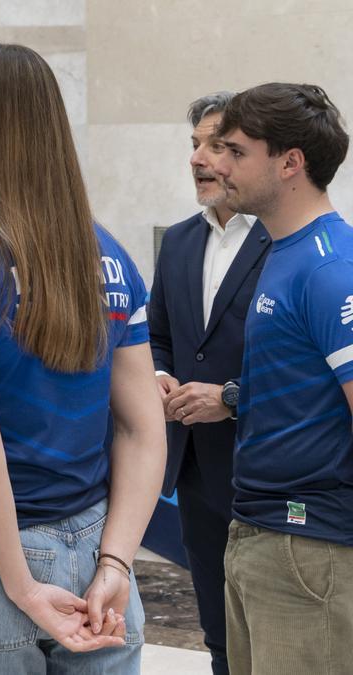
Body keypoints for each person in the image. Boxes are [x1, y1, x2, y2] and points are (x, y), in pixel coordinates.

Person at [0, 42, 167, 673]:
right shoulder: (109, 253)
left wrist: (22, 586)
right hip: (98, 549)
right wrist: (116, 562)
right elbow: (141, 427)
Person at [210, 82, 353, 675]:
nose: (219, 166)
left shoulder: (331, 267)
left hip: (310, 546)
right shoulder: (282, 250)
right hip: (261, 533)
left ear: (290, 162)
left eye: (237, 152)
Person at [146, 92, 270, 675]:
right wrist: (160, 375)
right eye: (195, 143)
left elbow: (303, 363)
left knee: (274, 635)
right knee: (218, 633)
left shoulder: (288, 240)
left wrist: (230, 398)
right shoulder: (177, 241)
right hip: (194, 470)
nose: (199, 158)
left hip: (272, 472)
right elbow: (160, 333)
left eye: (218, 145)